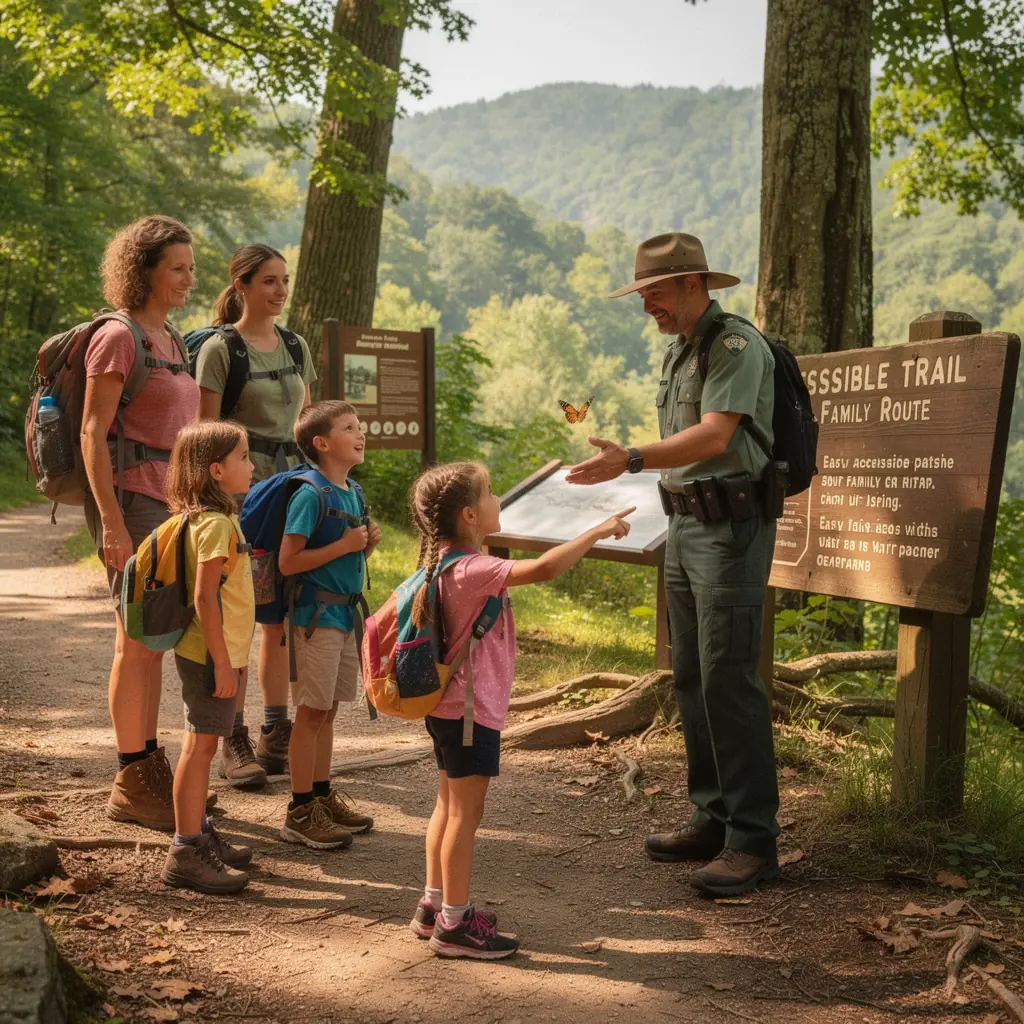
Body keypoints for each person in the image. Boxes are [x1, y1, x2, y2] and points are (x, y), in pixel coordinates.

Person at [566, 232, 781, 898]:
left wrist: (629, 457)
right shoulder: (680, 351)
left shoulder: (736, 344)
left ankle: (752, 840)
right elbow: (691, 447)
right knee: (690, 674)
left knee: (728, 676)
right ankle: (710, 818)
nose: (647, 305)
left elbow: (717, 435)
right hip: (686, 522)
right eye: (642, 294)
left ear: (693, 284)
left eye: (654, 292)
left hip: (733, 529)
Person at [406, 461, 634, 959]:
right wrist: (596, 531)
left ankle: (435, 905)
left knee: (448, 806)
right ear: (469, 514)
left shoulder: (447, 562)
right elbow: (547, 568)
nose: (497, 501)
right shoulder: (474, 569)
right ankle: (455, 925)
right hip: (468, 713)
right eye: (489, 494)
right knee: (465, 813)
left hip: (449, 709)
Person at [81, 215, 201, 831]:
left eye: (190, 266)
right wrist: (110, 521)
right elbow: (91, 433)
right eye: (176, 267)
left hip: (173, 508)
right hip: (132, 504)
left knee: (155, 642)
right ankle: (132, 778)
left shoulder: (173, 338)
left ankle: (150, 766)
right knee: (133, 642)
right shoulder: (120, 337)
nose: (188, 277)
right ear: (144, 270)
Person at [195, 245, 316, 789]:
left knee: (282, 617)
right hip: (243, 498)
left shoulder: (295, 345)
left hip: (290, 492)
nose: (280, 291)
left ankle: (276, 732)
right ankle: (231, 739)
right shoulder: (222, 350)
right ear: (241, 285)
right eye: (269, 281)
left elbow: (305, 421)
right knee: (239, 616)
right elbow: (203, 439)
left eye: (284, 281)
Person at [160, 420, 256, 894]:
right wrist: (222, 661)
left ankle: (197, 833)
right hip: (207, 655)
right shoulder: (216, 525)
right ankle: (185, 849)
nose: (252, 465)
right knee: (200, 750)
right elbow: (204, 599)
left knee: (199, 745)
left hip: (215, 653)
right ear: (216, 470)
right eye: (243, 458)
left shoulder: (215, 517)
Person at [277, 401, 378, 849]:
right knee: (311, 713)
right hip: (314, 619)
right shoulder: (310, 494)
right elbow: (288, 562)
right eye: (349, 428)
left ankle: (321, 795)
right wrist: (345, 546)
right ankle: (299, 812)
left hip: (344, 614)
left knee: (330, 710)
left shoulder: (351, 491)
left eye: (359, 427)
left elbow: (348, 554)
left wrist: (363, 547)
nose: (360, 434)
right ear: (321, 444)